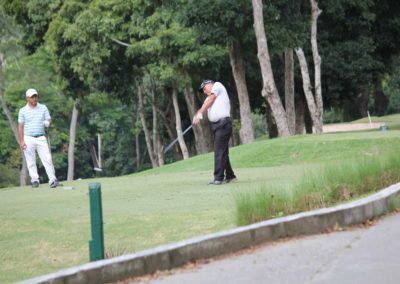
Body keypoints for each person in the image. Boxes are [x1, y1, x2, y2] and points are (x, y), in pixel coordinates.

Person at [192, 80, 237, 185]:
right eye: (202, 90)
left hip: (223, 124)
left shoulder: (218, 85)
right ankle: (230, 175)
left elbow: (211, 100)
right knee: (223, 151)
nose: (204, 91)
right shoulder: (207, 99)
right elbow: (204, 107)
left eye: (204, 88)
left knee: (219, 151)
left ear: (209, 84)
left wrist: (199, 113)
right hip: (216, 126)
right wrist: (197, 116)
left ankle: (218, 178)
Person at [18, 88, 60, 188]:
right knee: (31, 160)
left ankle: (52, 179)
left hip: (41, 137)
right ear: (27, 98)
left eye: (35, 96)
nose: (34, 99)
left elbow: (49, 119)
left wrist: (48, 123)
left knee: (47, 158)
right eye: (32, 97)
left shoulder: (43, 107)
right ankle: (35, 180)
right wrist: (21, 141)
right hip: (28, 138)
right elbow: (20, 126)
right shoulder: (23, 111)